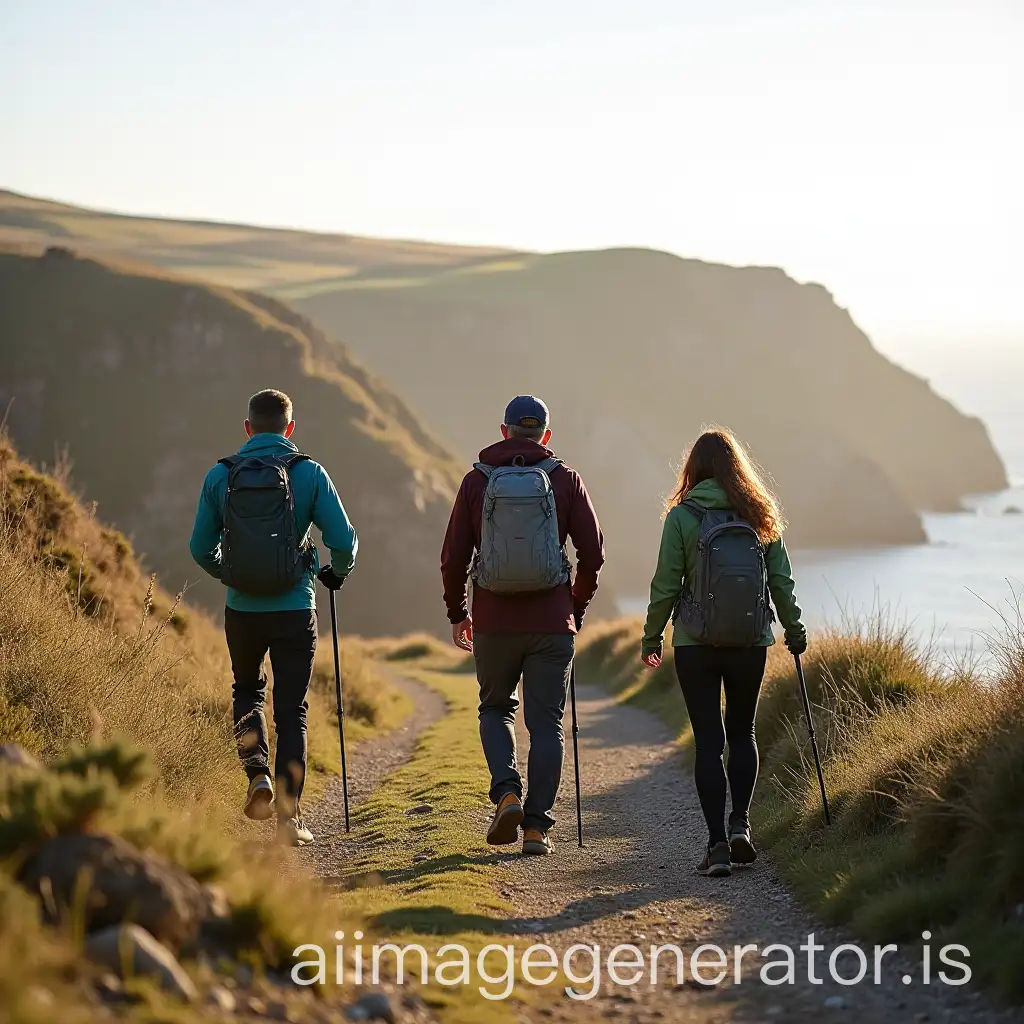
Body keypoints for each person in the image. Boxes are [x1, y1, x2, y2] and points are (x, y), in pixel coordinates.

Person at [189, 389, 357, 847]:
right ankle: (289, 818)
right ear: (290, 427)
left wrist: (233, 574)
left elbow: (199, 548)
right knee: (292, 710)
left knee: (247, 690)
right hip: (295, 608)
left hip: (241, 609)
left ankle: (257, 774)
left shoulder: (220, 476)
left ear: (248, 429)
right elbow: (343, 539)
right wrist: (335, 573)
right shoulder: (308, 473)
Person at [441, 396, 605, 856]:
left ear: (504, 430)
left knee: (495, 709)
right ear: (545, 436)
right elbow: (592, 553)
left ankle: (507, 792)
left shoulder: (477, 480)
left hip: (493, 621)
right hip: (552, 622)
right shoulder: (565, 479)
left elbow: (453, 558)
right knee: (547, 723)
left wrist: (459, 613)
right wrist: (575, 605)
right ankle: (535, 829)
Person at [641, 428, 806, 878]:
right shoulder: (760, 514)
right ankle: (741, 826)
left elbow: (665, 585)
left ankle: (715, 846)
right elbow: (781, 582)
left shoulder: (681, 517)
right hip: (749, 642)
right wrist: (794, 630)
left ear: (693, 468)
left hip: (695, 644)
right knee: (743, 732)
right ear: (738, 468)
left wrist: (652, 636)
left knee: (709, 743)